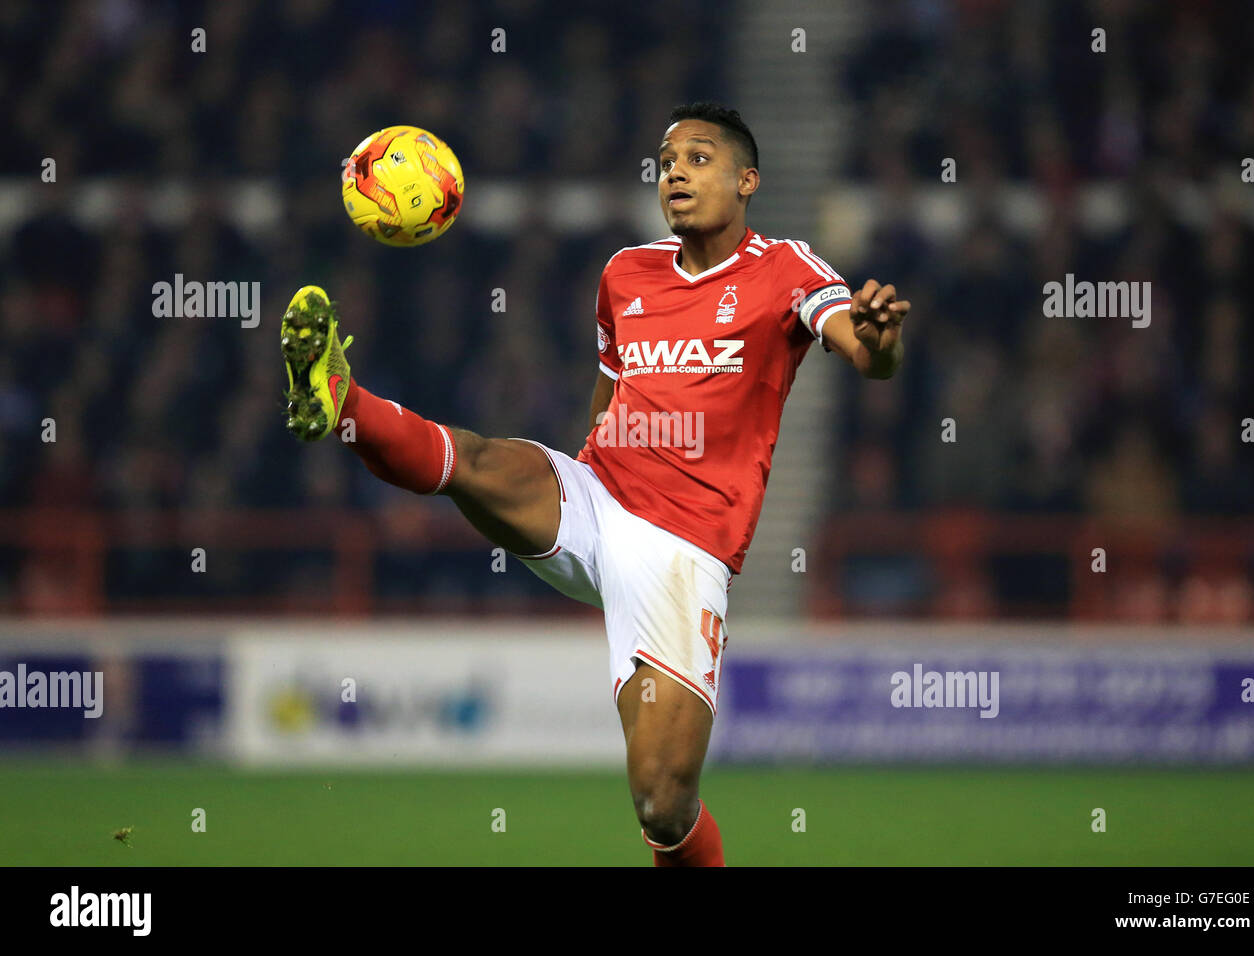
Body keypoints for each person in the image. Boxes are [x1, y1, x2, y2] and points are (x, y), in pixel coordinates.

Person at [280, 102, 910, 866]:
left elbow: (863, 350)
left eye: (698, 158)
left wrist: (876, 341)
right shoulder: (625, 272)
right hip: (598, 496)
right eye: (665, 161)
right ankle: (339, 400)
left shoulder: (785, 268)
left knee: (662, 800)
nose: (674, 171)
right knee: (482, 463)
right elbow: (610, 393)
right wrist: (581, 475)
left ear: (747, 180)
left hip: (682, 547)